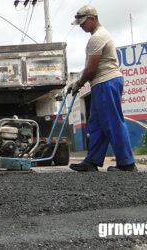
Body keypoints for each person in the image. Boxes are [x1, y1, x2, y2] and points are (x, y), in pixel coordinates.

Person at [67, 5, 136, 172]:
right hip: (100, 84)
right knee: (96, 124)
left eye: (83, 23)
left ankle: (127, 163)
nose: (82, 27)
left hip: (107, 82)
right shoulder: (97, 36)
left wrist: (78, 84)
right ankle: (92, 161)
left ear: (92, 18)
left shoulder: (97, 38)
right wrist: (78, 83)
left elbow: (91, 69)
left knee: (113, 122)